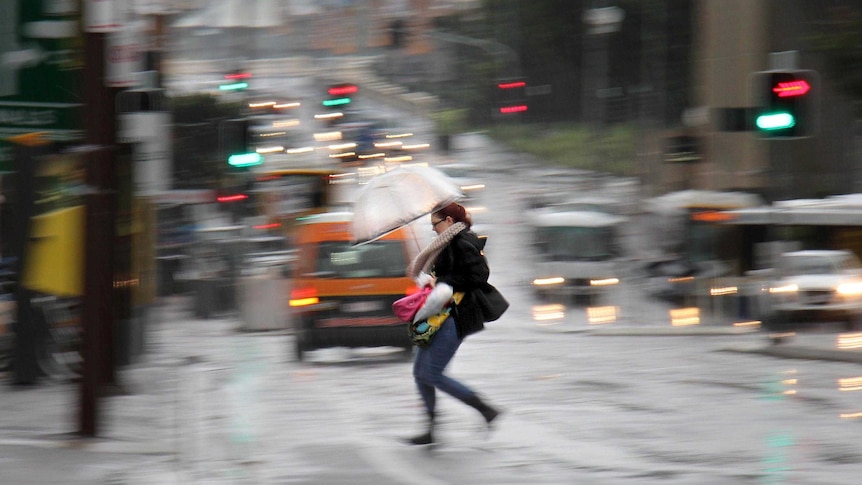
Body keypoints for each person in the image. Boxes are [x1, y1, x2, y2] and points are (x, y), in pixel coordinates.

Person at [404, 202, 501, 445]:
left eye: (435, 224)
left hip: (455, 316)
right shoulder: (446, 243)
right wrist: (433, 280)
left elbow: (479, 276)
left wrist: (441, 282)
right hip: (439, 313)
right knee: (420, 372)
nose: (433, 229)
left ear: (448, 221)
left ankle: (485, 409)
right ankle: (431, 428)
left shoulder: (463, 242)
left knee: (433, 373)